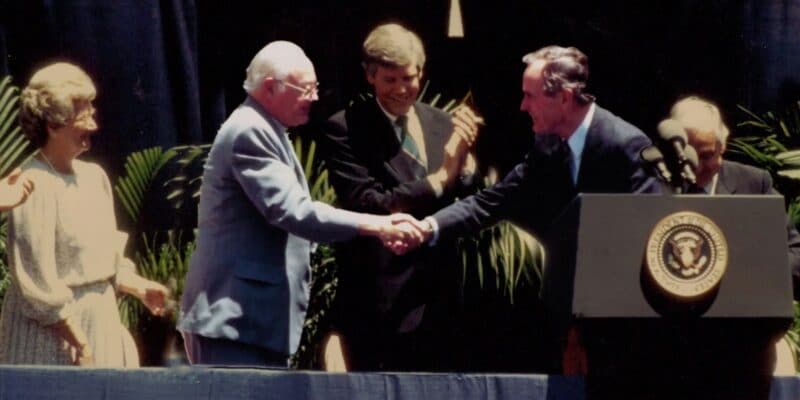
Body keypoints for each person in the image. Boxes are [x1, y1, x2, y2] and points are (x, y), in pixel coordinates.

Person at [178, 41, 422, 368]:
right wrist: (377, 224)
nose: (315, 97)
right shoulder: (250, 131)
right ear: (269, 88)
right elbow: (293, 211)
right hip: (234, 323)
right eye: (305, 89)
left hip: (250, 323)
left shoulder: (268, 128)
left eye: (316, 87)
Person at [322, 23, 481, 372]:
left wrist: (466, 170)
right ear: (369, 76)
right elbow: (370, 203)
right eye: (389, 80)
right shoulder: (346, 128)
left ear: (421, 73)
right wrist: (441, 178)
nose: (401, 89)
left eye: (409, 78)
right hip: (381, 300)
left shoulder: (442, 122)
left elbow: (469, 199)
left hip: (440, 296)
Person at [0, 62, 170, 367]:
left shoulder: (95, 177)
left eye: (92, 110)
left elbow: (103, 260)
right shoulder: (31, 182)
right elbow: (36, 284)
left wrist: (137, 286)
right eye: (83, 114)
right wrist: (79, 341)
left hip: (98, 323)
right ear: (52, 125)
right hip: (54, 337)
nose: (93, 125)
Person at [669, 96, 800, 296]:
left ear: (722, 147)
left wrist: (748, 273)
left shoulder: (754, 183)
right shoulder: (656, 184)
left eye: (706, 155)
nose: (697, 166)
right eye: (689, 157)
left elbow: (795, 255)